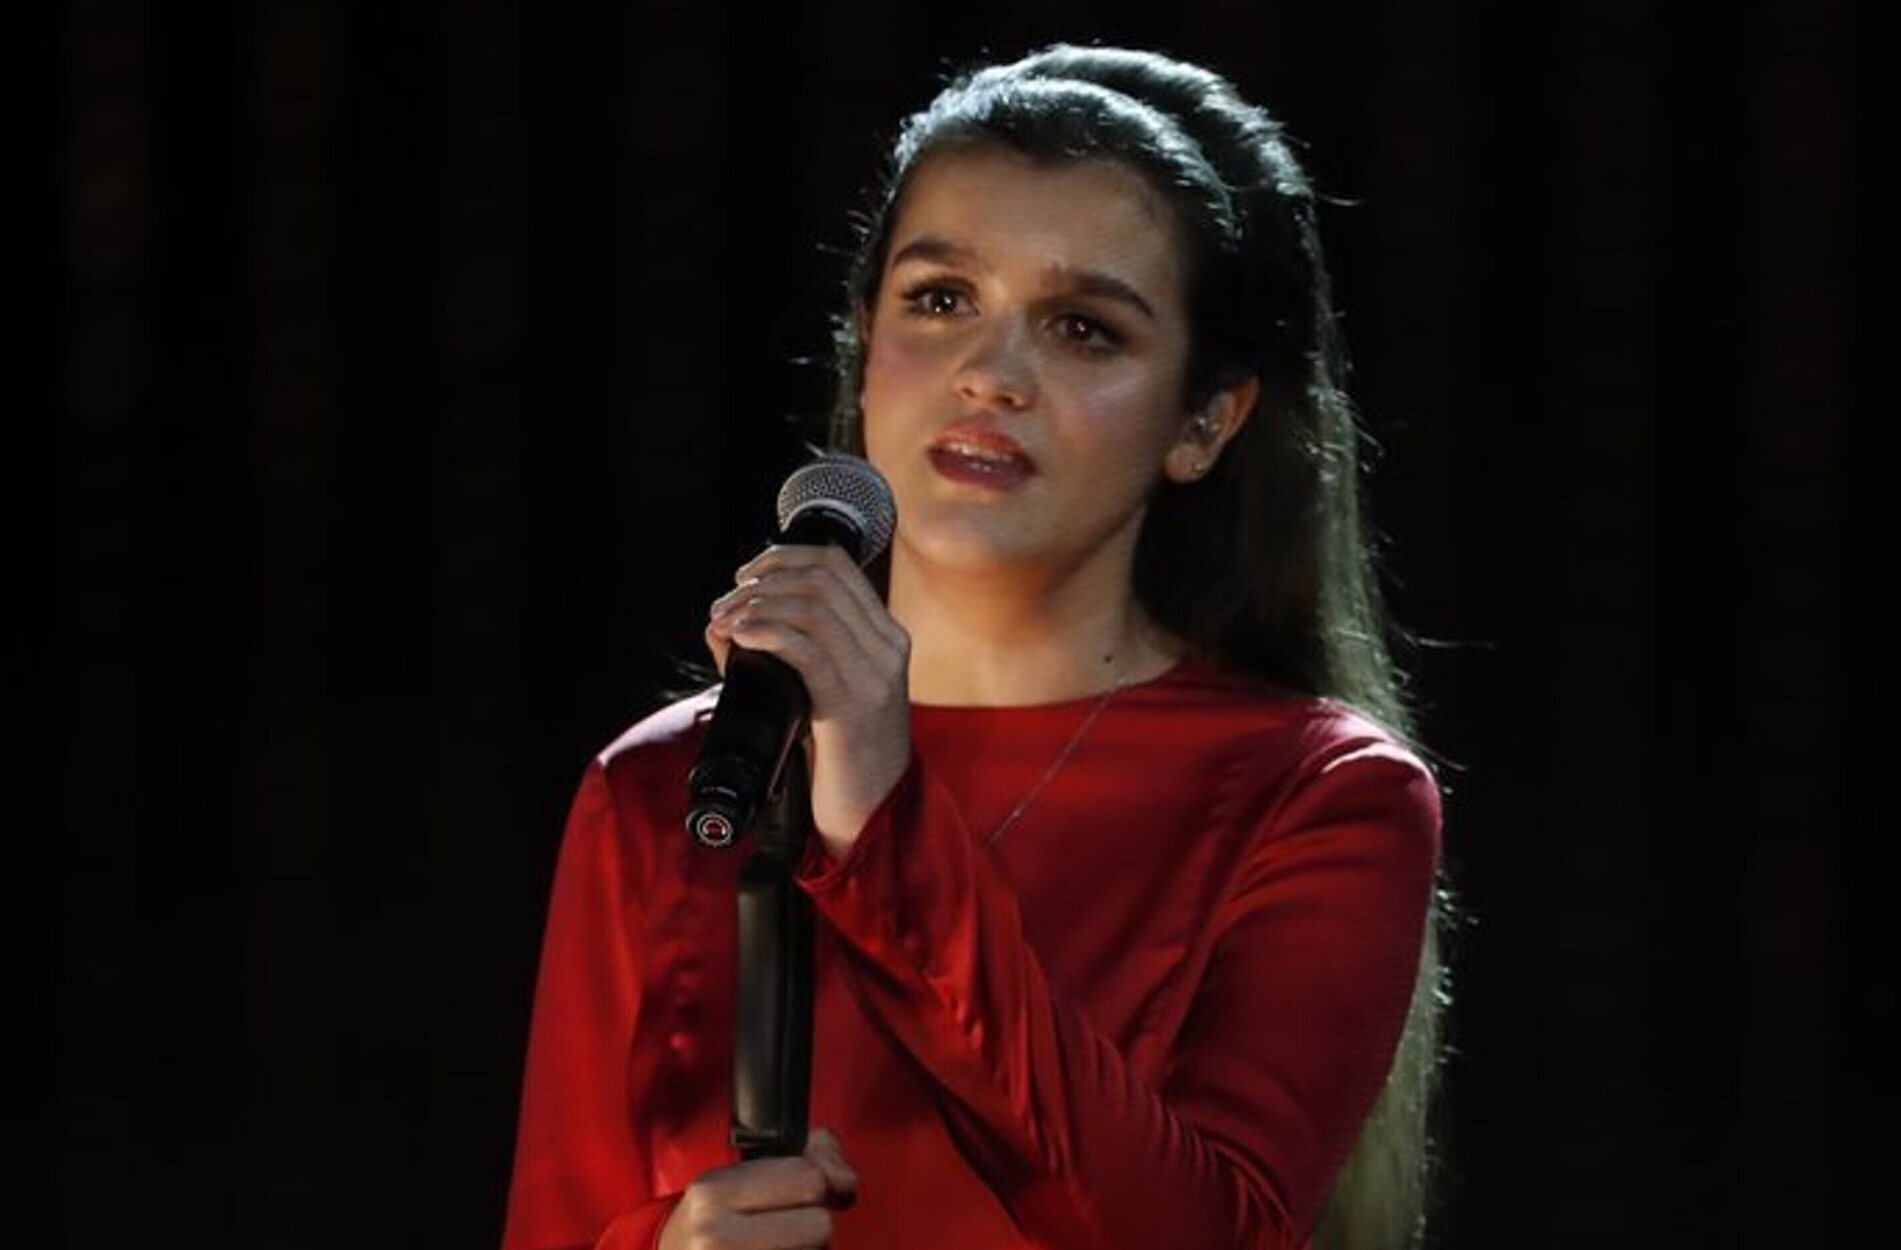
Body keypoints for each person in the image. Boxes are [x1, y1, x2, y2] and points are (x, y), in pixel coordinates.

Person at [502, 44, 1448, 1250]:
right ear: (864, 341)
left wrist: (882, 817)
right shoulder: (665, 783)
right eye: (942, 299)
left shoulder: (1320, 795)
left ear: (1205, 422)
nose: (989, 376)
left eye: (1082, 328)